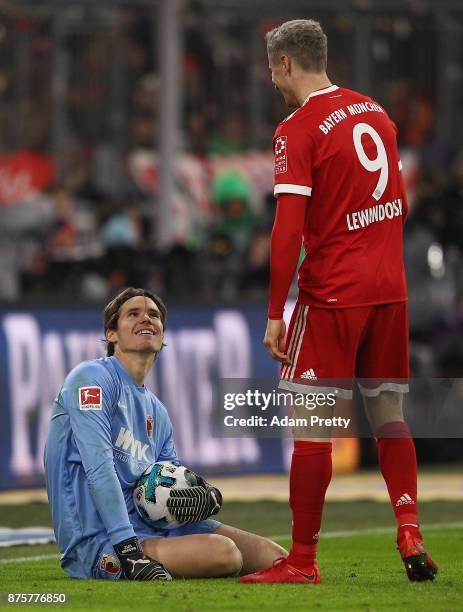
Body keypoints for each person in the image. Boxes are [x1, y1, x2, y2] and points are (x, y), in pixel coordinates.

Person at [240, 20, 437, 584]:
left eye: (270, 67)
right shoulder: (376, 113)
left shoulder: (297, 129)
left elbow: (286, 231)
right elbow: (397, 202)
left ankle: (301, 561)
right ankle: (409, 527)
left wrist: (276, 311)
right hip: (389, 289)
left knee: (312, 423)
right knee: (388, 416)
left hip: (332, 294)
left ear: (283, 64)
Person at [44, 287, 286, 580]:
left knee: (277, 558)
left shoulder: (156, 410)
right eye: (133, 314)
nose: (146, 319)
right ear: (111, 334)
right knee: (225, 554)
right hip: (100, 540)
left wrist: (200, 494)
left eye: (154, 315)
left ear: (162, 335)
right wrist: (127, 547)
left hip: (152, 528)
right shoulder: (91, 379)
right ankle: (127, 561)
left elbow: (169, 477)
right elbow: (98, 468)